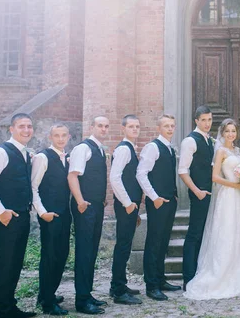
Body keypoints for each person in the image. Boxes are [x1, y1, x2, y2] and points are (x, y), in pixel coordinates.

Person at [184, 119, 240, 299]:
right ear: (222, 133)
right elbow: (215, 177)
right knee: (226, 232)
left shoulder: (238, 151)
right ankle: (220, 273)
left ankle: (236, 270)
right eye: (227, 131)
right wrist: (236, 185)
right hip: (228, 197)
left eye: (233, 131)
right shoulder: (221, 152)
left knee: (238, 233)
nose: (231, 134)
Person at [0, 113, 37, 318]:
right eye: (21, 126)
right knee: (4, 264)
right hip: (7, 217)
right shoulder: (0, 152)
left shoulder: (26, 154)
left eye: (29, 126)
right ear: (11, 129)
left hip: (22, 216)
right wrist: (0, 211)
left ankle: (9, 306)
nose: (26, 130)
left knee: (15, 263)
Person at [67, 116, 110, 315]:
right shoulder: (83, 148)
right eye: (100, 125)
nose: (103, 128)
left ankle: (87, 294)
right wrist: (80, 201)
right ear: (92, 127)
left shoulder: (100, 150)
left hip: (96, 206)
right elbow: (72, 175)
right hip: (85, 207)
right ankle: (81, 301)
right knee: (84, 252)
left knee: (91, 251)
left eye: (106, 126)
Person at [136, 114, 181, 301]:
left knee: (163, 242)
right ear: (159, 128)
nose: (170, 129)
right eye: (166, 126)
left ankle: (161, 279)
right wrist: (154, 197)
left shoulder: (170, 149)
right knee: (154, 243)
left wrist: (175, 194)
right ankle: (151, 285)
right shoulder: (152, 147)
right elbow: (141, 174)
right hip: (157, 203)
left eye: (172, 125)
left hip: (170, 202)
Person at [31, 123, 72, 315]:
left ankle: (47, 294)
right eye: (57, 135)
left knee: (62, 254)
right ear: (50, 137)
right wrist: (42, 212)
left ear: (68, 137)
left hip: (64, 214)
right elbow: (34, 187)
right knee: (50, 257)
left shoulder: (67, 158)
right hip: (49, 215)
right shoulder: (42, 157)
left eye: (64, 135)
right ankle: (47, 303)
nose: (61, 139)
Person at [108, 115, 143, 305]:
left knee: (125, 245)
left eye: (137, 126)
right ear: (123, 129)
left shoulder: (130, 148)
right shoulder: (123, 149)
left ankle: (119, 284)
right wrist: (128, 203)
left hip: (129, 206)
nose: (135, 129)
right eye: (131, 126)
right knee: (122, 246)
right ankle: (118, 291)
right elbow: (115, 178)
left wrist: (133, 208)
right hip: (125, 205)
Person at [179, 106, 214, 289]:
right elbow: (183, 171)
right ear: (196, 121)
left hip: (209, 194)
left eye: (209, 119)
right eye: (204, 120)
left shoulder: (208, 140)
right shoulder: (189, 141)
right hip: (199, 194)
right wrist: (196, 191)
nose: (207, 123)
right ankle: (188, 277)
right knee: (194, 234)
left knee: (203, 234)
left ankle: (199, 273)